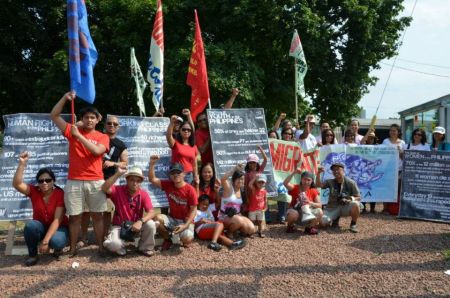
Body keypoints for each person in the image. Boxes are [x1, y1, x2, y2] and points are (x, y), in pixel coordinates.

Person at [50, 91, 109, 257]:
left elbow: (97, 151)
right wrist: (64, 98)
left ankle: (101, 247)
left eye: (93, 117)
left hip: (95, 181)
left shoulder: (102, 136)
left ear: (98, 120)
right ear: (82, 119)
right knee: (74, 217)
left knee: (98, 216)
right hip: (74, 181)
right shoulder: (72, 131)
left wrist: (79, 136)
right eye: (86, 117)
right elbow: (54, 115)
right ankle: (73, 248)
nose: (89, 120)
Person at [12, 152, 69, 266]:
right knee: (30, 226)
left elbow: (57, 220)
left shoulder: (59, 193)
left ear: (53, 181)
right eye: (41, 180)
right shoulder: (33, 191)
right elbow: (17, 184)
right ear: (37, 182)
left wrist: (45, 241)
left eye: (48, 180)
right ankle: (32, 255)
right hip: (41, 226)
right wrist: (22, 164)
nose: (44, 183)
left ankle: (57, 249)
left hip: (59, 226)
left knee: (57, 242)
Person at [80, 115, 129, 246]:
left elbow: (125, 163)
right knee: (86, 210)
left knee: (107, 210)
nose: (112, 126)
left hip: (110, 180)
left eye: (115, 124)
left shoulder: (121, 144)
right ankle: (83, 238)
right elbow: (77, 126)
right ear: (104, 125)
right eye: (109, 123)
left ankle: (104, 236)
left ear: (118, 127)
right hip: (91, 177)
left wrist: (113, 163)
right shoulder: (97, 137)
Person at [101, 166, 156, 256]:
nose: (135, 183)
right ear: (127, 179)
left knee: (151, 224)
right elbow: (104, 188)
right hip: (119, 226)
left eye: (138, 181)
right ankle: (119, 245)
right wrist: (117, 174)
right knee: (114, 245)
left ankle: (145, 247)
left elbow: (152, 212)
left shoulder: (144, 194)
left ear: (141, 182)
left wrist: (140, 221)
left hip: (135, 226)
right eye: (132, 180)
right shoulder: (118, 190)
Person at [148, 155, 197, 250]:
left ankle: (183, 238)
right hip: (173, 219)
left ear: (184, 174)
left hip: (186, 221)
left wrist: (185, 225)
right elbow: (152, 179)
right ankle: (168, 239)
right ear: (170, 175)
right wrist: (152, 164)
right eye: (173, 173)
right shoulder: (169, 185)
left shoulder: (190, 189)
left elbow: (194, 211)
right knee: (157, 219)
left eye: (178, 172)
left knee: (187, 238)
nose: (176, 175)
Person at [316, 163, 361, 233]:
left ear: (343, 171)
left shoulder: (351, 183)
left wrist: (349, 199)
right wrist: (318, 173)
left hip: (345, 207)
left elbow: (358, 197)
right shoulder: (330, 182)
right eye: (334, 170)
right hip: (332, 207)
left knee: (356, 204)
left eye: (338, 170)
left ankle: (353, 224)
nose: (336, 172)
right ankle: (335, 219)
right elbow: (318, 185)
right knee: (322, 222)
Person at [219, 164, 256, 238]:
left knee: (251, 229)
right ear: (233, 179)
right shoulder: (229, 188)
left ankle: (236, 229)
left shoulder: (242, 191)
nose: (240, 181)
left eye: (242, 179)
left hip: (237, 215)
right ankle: (229, 232)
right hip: (224, 216)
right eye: (238, 178)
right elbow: (223, 179)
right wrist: (234, 169)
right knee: (239, 221)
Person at [284, 170, 322, 235]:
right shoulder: (295, 188)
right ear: (301, 179)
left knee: (320, 212)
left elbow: (320, 205)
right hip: (296, 214)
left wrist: (310, 202)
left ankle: (309, 227)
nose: (306, 182)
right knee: (293, 213)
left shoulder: (313, 190)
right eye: (304, 179)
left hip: (308, 215)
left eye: (308, 180)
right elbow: (285, 183)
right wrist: (294, 172)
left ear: (312, 181)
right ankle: (290, 226)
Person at [166, 113, 199, 184]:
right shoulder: (175, 143)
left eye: (188, 130)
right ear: (180, 131)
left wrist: (195, 175)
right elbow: (168, 136)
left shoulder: (193, 146)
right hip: (176, 174)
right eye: (184, 129)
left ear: (191, 132)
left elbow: (194, 164)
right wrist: (172, 122)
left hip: (189, 176)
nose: (186, 131)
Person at [381, 124, 405, 214]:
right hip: (387, 169)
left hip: (399, 169)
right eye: (391, 130)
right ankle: (385, 208)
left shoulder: (402, 143)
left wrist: (400, 151)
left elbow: (404, 158)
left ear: (398, 132)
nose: (392, 132)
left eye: (394, 130)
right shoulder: (385, 141)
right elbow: (381, 154)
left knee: (398, 189)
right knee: (387, 189)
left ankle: (396, 209)